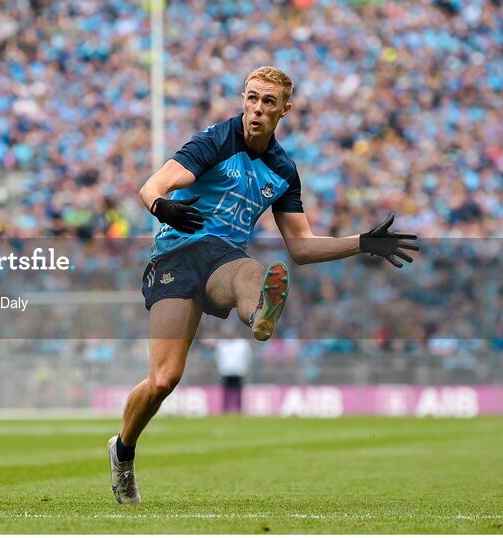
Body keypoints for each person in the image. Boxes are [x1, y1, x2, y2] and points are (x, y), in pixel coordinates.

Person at [107, 66, 420, 504]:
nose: (257, 109)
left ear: (284, 110)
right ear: (242, 99)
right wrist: (162, 207)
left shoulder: (283, 169)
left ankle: (259, 313)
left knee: (257, 269)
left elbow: (303, 246)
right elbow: (152, 185)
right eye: (252, 98)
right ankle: (122, 452)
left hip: (223, 260)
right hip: (176, 254)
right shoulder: (216, 140)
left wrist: (363, 242)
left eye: (268, 102)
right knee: (164, 379)